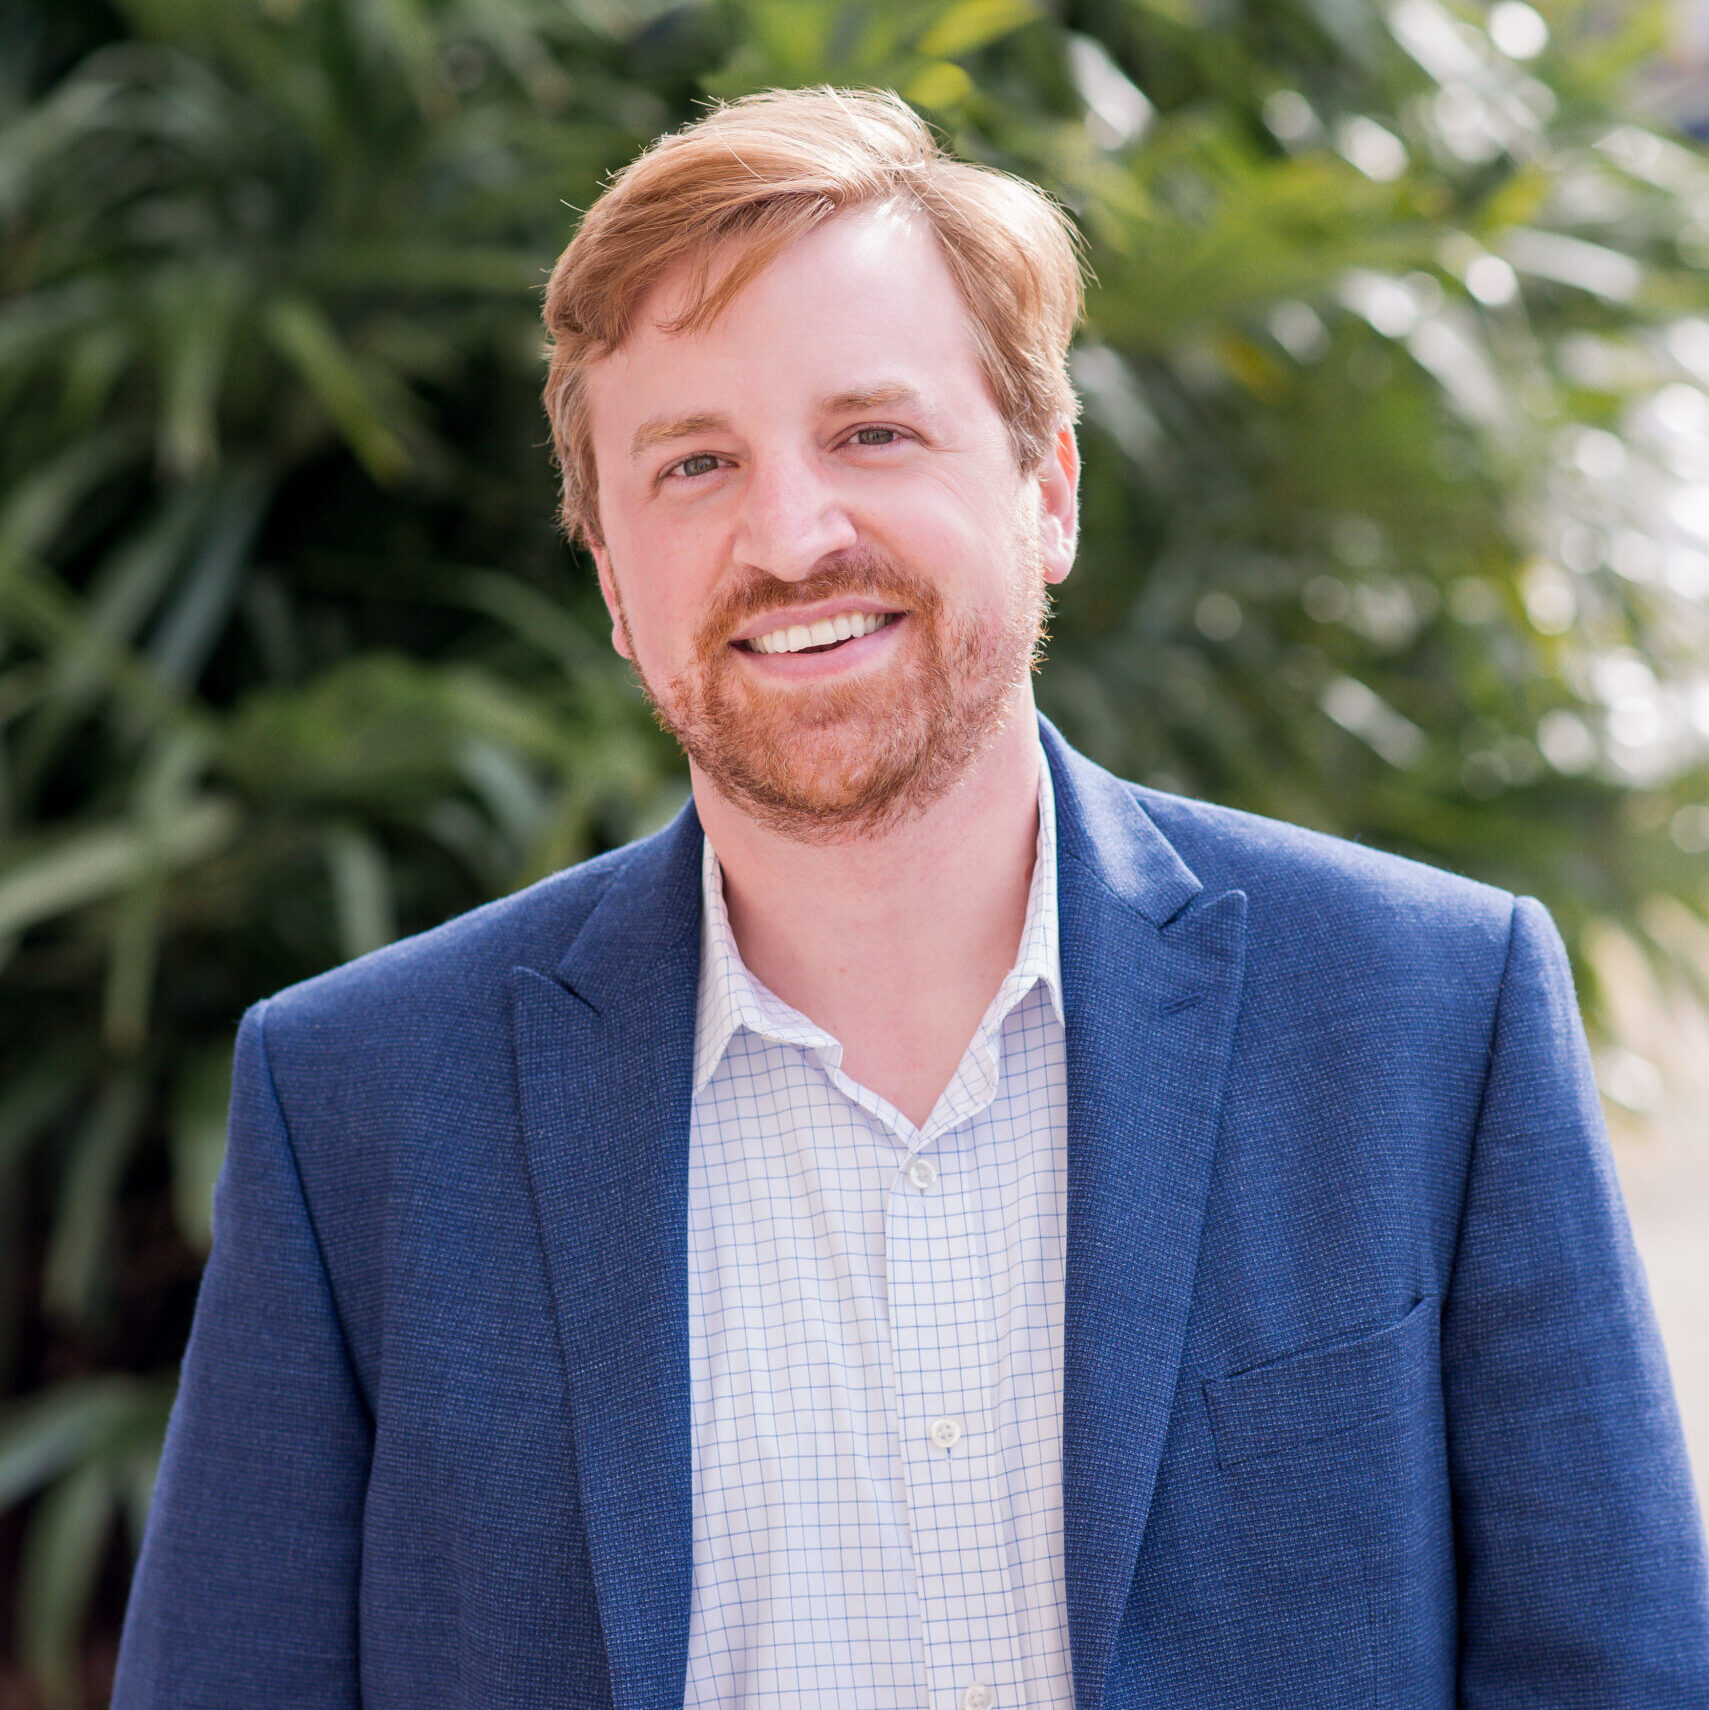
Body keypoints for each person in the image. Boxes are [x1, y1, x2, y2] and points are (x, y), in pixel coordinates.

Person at [114, 87, 1708, 1709]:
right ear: (609, 579)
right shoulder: (357, 1105)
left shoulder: (1432, 1018)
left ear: (1050, 492)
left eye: (871, 432)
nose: (791, 532)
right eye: (694, 464)